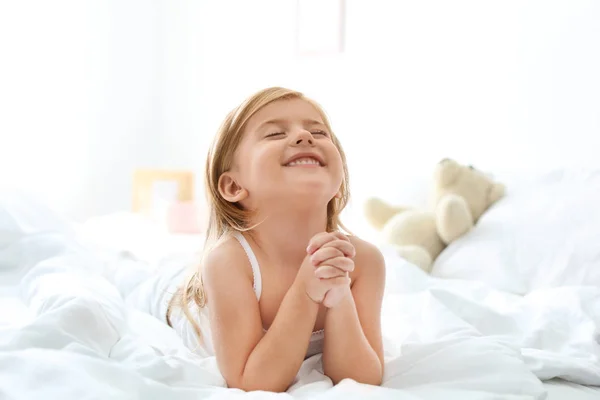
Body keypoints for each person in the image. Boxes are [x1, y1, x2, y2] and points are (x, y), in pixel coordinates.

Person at [166, 87, 386, 392]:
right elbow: (252, 381)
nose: (303, 137)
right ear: (233, 186)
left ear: (339, 184)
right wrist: (306, 291)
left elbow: (362, 379)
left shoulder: (364, 261)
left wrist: (339, 295)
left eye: (318, 132)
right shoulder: (230, 261)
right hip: (181, 301)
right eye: (273, 134)